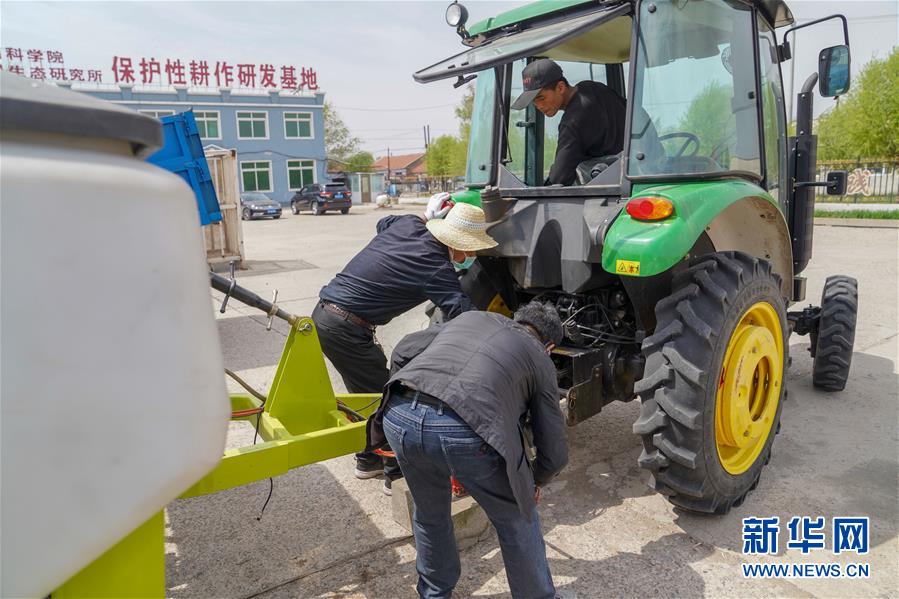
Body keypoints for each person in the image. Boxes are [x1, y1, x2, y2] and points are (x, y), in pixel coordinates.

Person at [366, 302, 569, 598]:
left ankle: (434, 593)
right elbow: (553, 447)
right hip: (464, 428)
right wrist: (534, 481)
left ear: (517, 318)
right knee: (518, 519)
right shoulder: (539, 357)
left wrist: (407, 394)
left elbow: (403, 349)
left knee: (430, 514)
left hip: (399, 416)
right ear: (549, 344)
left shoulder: (473, 317)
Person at [312, 202, 498, 493]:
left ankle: (367, 460)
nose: (472, 256)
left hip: (328, 317)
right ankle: (395, 475)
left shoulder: (410, 224)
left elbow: (383, 223)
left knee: (368, 396)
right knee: (390, 400)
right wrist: (502, 334)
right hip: (346, 327)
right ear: (454, 241)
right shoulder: (435, 266)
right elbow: (465, 315)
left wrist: (426, 215)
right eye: (470, 248)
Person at [511, 58, 627, 186]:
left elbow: (559, 178)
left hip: (610, 189)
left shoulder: (572, 122)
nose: (538, 106)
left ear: (560, 87)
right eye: (534, 101)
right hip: (634, 171)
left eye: (541, 98)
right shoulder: (593, 88)